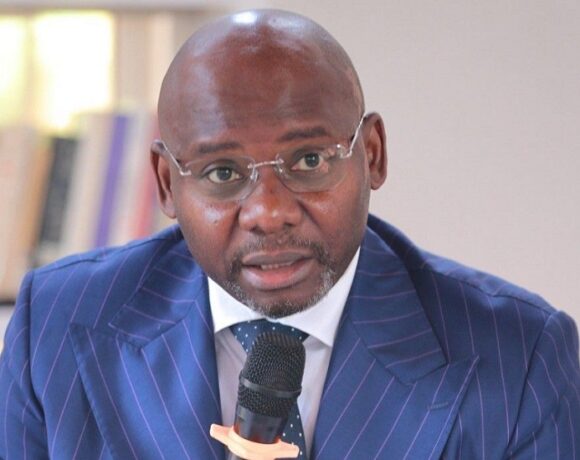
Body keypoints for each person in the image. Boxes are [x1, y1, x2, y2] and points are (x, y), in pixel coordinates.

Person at [1, 9, 578, 459]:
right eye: (222, 173)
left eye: (309, 160)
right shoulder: (56, 323)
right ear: (167, 185)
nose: (269, 212)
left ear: (372, 155)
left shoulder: (518, 355)